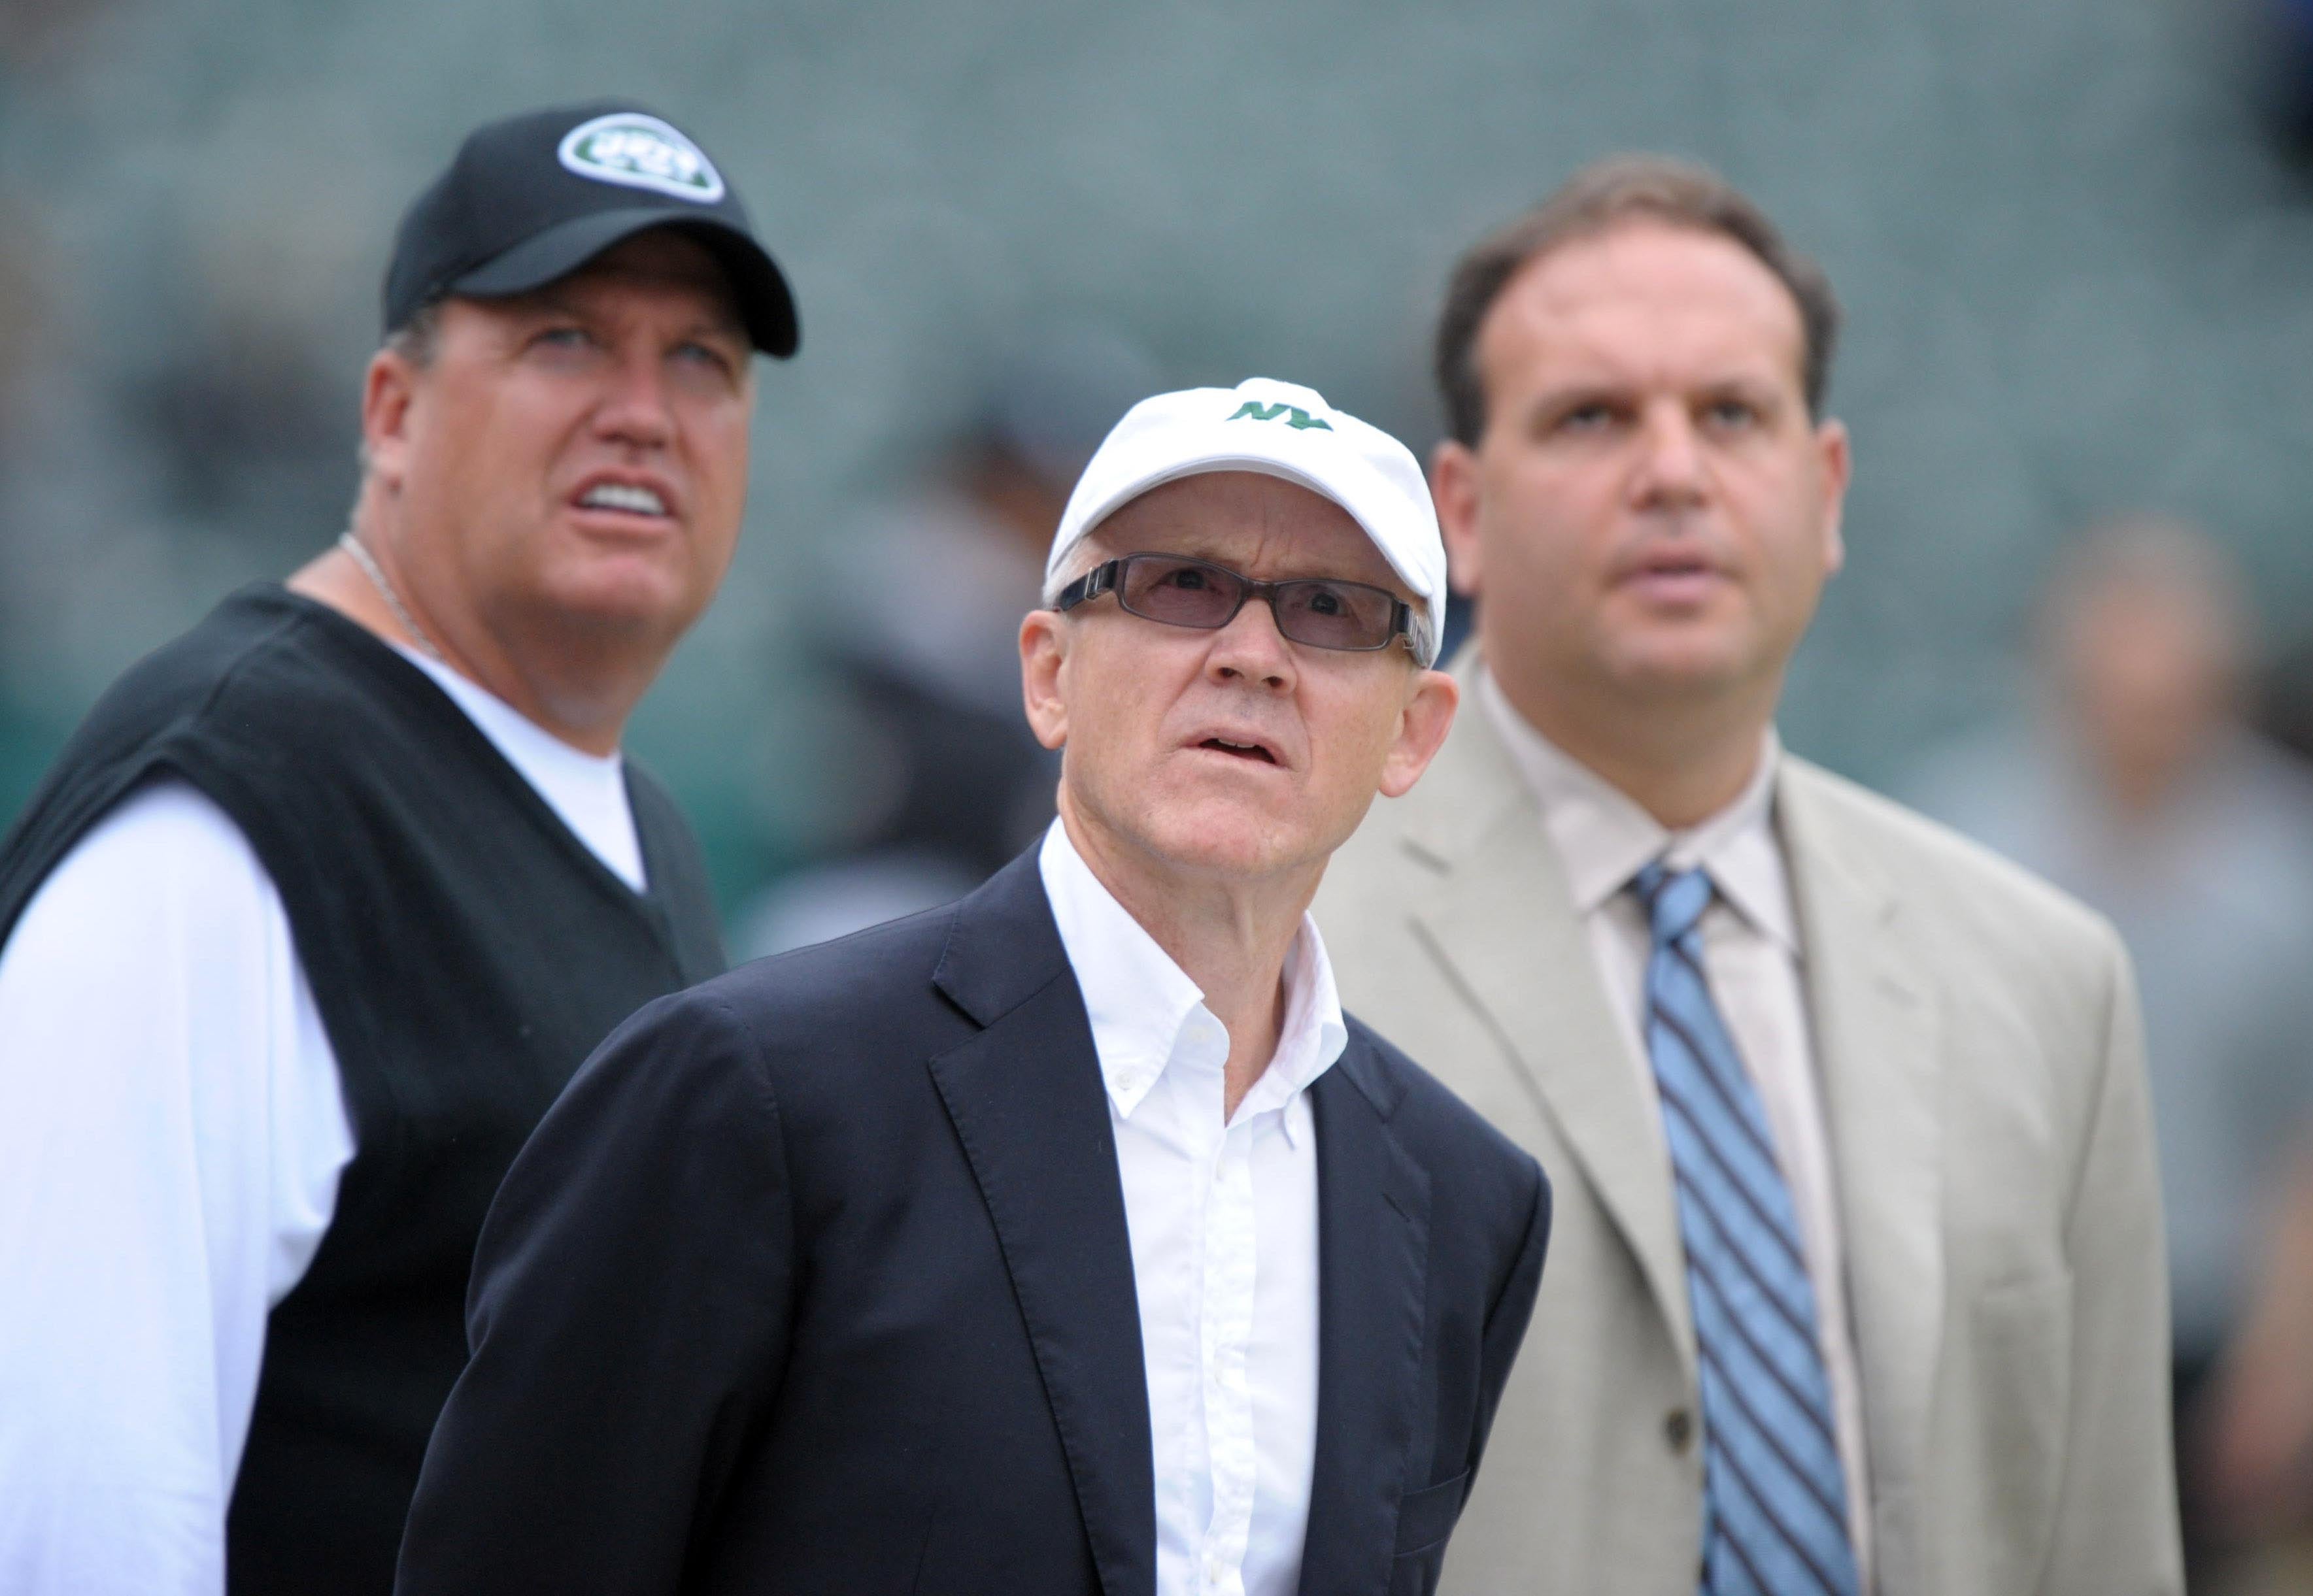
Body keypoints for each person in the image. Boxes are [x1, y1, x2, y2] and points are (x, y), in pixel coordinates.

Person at [394, 377, 1551, 1596]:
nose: (1252, 654)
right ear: (1048, 673)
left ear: (1415, 733)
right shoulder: (751, 1089)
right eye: (1181, 586)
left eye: (1330, 608)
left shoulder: (1463, 1198)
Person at [1314, 157, 2180, 1595]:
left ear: (1823, 488)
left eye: (1730, 413)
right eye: (1590, 416)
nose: (1671, 470)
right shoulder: (1283, 943)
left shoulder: (2046, 979)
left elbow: (2103, 1544)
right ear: (1456, 511)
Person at [0, 101, 798, 1596]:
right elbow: (73, 1503)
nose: (645, 407)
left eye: (701, 358)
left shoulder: (641, 824)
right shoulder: (227, 810)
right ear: (391, 411)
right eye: (563, 338)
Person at [1909, 518, 2313, 1575]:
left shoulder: (2280, 866)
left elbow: (2296, 1135)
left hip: (2203, 1312)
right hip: (2015, 1296)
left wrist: (2284, 1358)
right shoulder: (1965, 837)